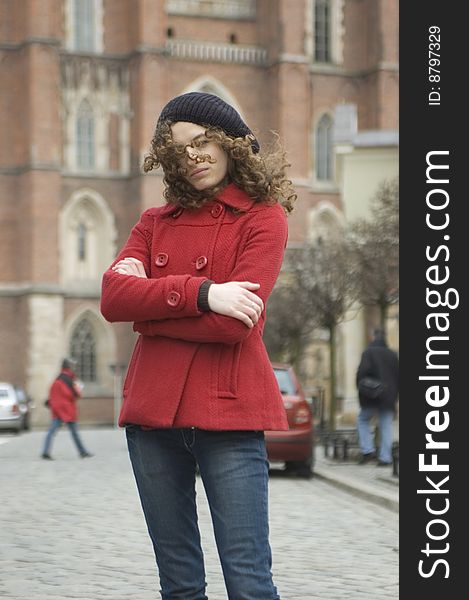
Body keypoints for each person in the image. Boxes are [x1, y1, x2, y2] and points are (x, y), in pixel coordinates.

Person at [100, 91, 296, 600]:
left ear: (233, 145)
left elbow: (235, 328)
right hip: (152, 421)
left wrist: (150, 313)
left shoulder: (263, 217)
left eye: (204, 141)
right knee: (179, 585)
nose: (195, 156)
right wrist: (206, 293)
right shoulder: (152, 222)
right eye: (181, 149)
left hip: (229, 419)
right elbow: (113, 298)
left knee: (249, 581)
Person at [356, 328, 399, 466]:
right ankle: (385, 458)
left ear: (373, 337)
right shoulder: (393, 355)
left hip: (371, 396)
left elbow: (361, 374)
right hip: (388, 397)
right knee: (386, 426)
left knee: (362, 420)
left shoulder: (368, 353)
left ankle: (368, 450)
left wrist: (361, 389)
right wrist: (395, 396)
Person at [41, 358, 93, 460]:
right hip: (67, 410)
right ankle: (82, 452)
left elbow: (53, 395)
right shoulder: (69, 379)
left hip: (57, 410)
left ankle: (45, 451)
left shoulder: (57, 379)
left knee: (51, 432)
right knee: (74, 432)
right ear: (69, 367)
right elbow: (75, 394)